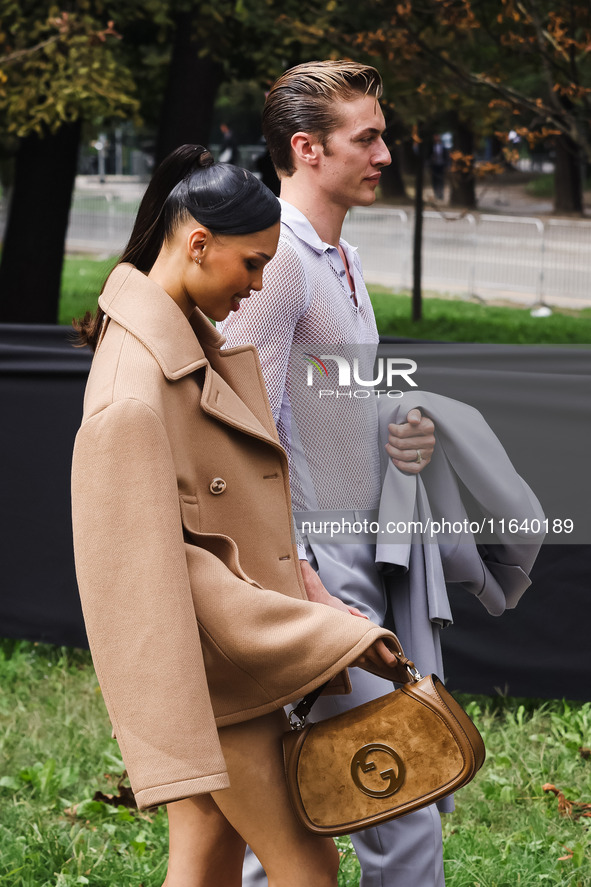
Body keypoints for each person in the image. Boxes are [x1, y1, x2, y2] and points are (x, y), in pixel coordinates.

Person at [71, 144, 408, 887]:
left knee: (205, 863)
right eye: (252, 264)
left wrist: (319, 603)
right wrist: (328, 632)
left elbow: (236, 529)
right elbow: (168, 578)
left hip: (224, 675)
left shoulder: (184, 347)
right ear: (198, 244)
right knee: (307, 870)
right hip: (211, 686)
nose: (258, 286)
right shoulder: (136, 387)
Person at [219, 61, 446, 887]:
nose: (386, 151)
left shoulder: (337, 259)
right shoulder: (276, 262)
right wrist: (298, 578)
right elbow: (238, 434)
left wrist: (397, 438)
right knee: (400, 778)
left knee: (296, 797)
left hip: (359, 551)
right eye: (368, 137)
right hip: (308, 562)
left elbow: (324, 408)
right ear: (307, 148)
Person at [429, 133, 449, 200]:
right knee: (434, 180)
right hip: (434, 165)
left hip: (441, 165)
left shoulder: (443, 146)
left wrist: (446, 165)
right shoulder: (431, 146)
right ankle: (436, 193)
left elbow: (446, 156)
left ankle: (441, 193)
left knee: (441, 180)